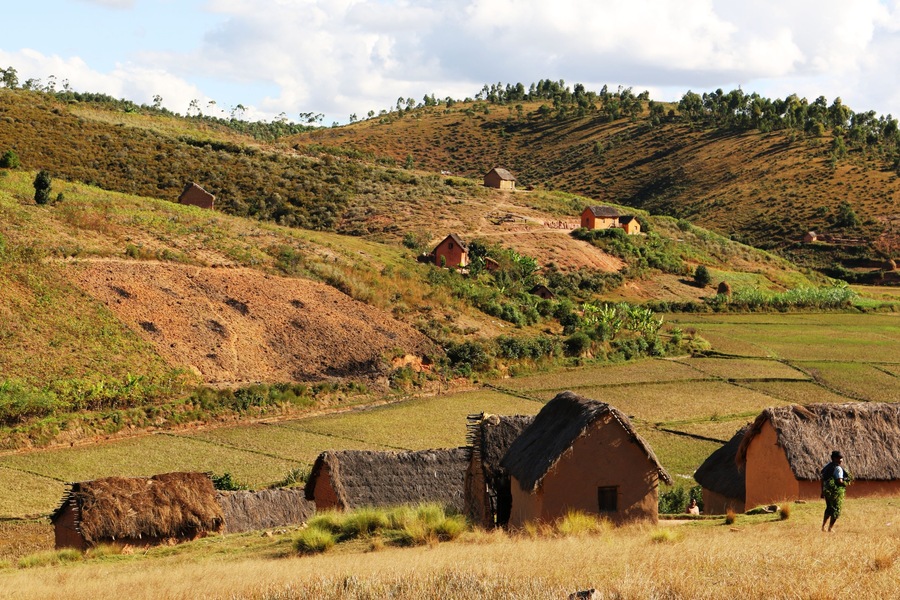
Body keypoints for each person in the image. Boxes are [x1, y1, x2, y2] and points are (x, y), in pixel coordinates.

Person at [821, 450, 849, 532]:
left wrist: (822, 491)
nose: (841, 460)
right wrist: (845, 483)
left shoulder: (827, 467)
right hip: (834, 491)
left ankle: (823, 527)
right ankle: (830, 528)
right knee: (836, 509)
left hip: (826, 490)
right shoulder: (838, 468)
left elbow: (822, 479)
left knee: (829, 508)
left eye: (841, 458)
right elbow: (839, 481)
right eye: (839, 458)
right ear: (834, 458)